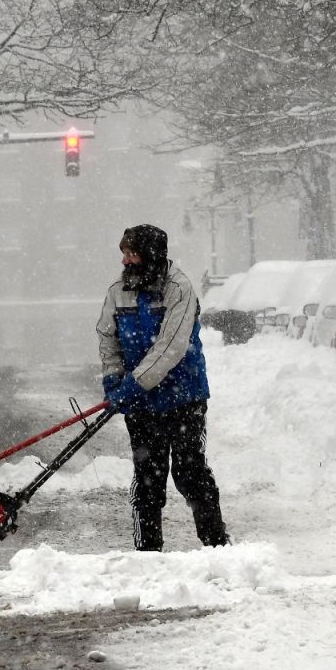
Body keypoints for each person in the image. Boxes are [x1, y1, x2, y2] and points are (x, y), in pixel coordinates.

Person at [96, 223, 230, 551]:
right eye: (123, 253)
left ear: (152, 256)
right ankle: (148, 552)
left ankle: (217, 547)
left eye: (133, 253)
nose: (126, 261)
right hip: (141, 403)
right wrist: (113, 376)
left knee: (189, 471)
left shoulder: (179, 289)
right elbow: (107, 335)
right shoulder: (118, 289)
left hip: (184, 397)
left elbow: (170, 346)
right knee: (147, 476)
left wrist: (133, 384)